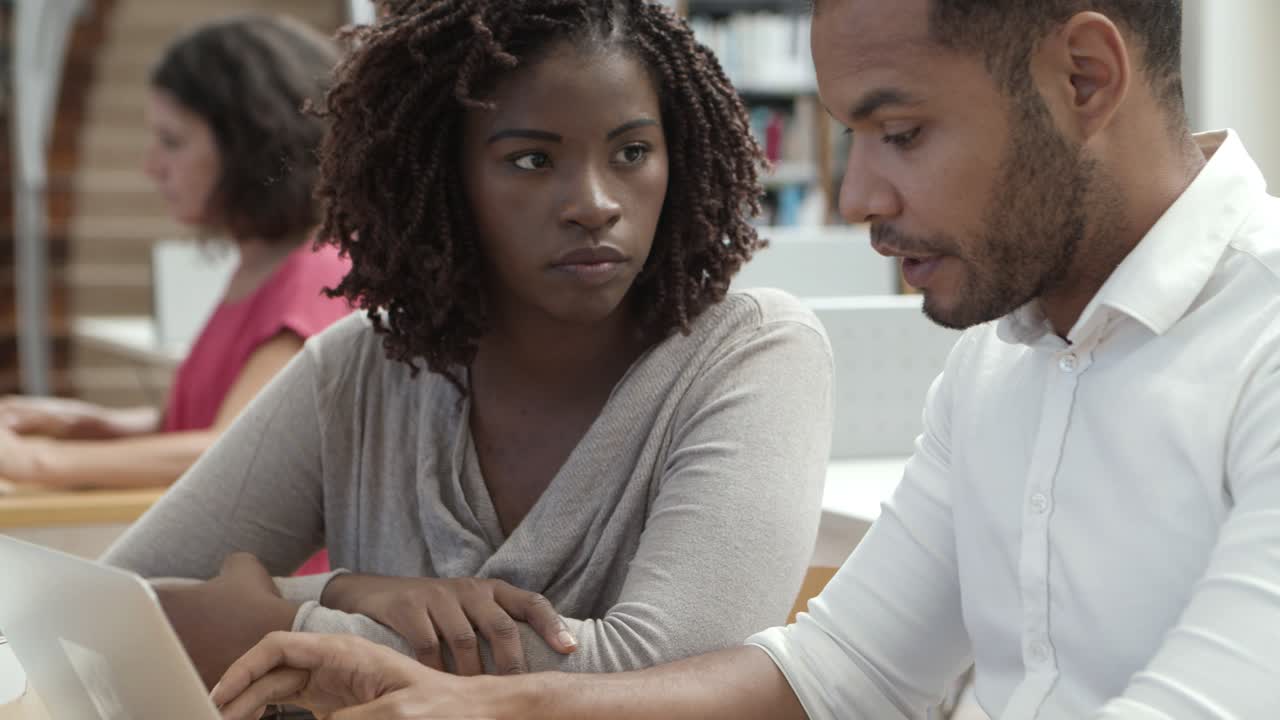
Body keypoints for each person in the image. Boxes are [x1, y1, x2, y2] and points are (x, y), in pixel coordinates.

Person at [209, 0, 1280, 717]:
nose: (858, 196)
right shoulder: (998, 361)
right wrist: (466, 703)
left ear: (1084, 79)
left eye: (898, 133)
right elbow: (839, 671)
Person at [102, 0, 834, 694]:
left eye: (632, 151)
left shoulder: (751, 355)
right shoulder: (360, 369)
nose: (595, 203)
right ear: (446, 177)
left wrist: (290, 622)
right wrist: (345, 589)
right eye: (531, 161)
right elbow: (112, 604)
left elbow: (666, 674)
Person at [0, 14, 351, 492]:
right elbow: (196, 422)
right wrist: (82, 423)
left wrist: (37, 461)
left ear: (251, 146)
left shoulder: (319, 274)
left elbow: (230, 448)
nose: (152, 166)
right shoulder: (258, 268)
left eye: (173, 142)